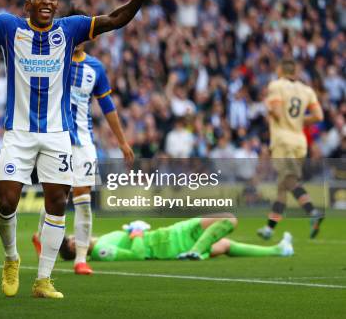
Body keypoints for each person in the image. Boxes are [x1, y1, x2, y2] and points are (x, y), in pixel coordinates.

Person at [0, 0, 157, 298]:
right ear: (28, 4)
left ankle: (43, 279)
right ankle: (11, 257)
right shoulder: (10, 28)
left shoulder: (70, 29)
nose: (48, 3)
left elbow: (114, 19)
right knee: (7, 201)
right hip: (19, 132)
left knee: (57, 203)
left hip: (57, 134)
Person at [33, 7, 134, 275]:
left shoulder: (95, 68)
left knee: (83, 199)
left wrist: (122, 142)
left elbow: (108, 107)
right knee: (58, 195)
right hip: (58, 138)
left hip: (85, 142)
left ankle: (80, 258)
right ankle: (41, 233)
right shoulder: (55, 59)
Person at [257, 58, 324, 240]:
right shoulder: (306, 90)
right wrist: (300, 121)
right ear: (295, 72)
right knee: (282, 186)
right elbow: (318, 116)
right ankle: (269, 229)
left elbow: (278, 113)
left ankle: (313, 212)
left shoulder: (276, 85)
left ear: (280, 70)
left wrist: (268, 108)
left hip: (282, 140)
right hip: (299, 141)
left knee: (288, 182)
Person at [56, 214, 294, 262]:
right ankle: (196, 252)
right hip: (170, 241)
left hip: (169, 237)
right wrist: (137, 232)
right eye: (73, 243)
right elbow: (138, 255)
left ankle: (278, 250)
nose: (76, 238)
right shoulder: (101, 252)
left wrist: (132, 230)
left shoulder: (102, 239)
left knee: (226, 244)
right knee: (230, 220)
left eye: (72, 237)